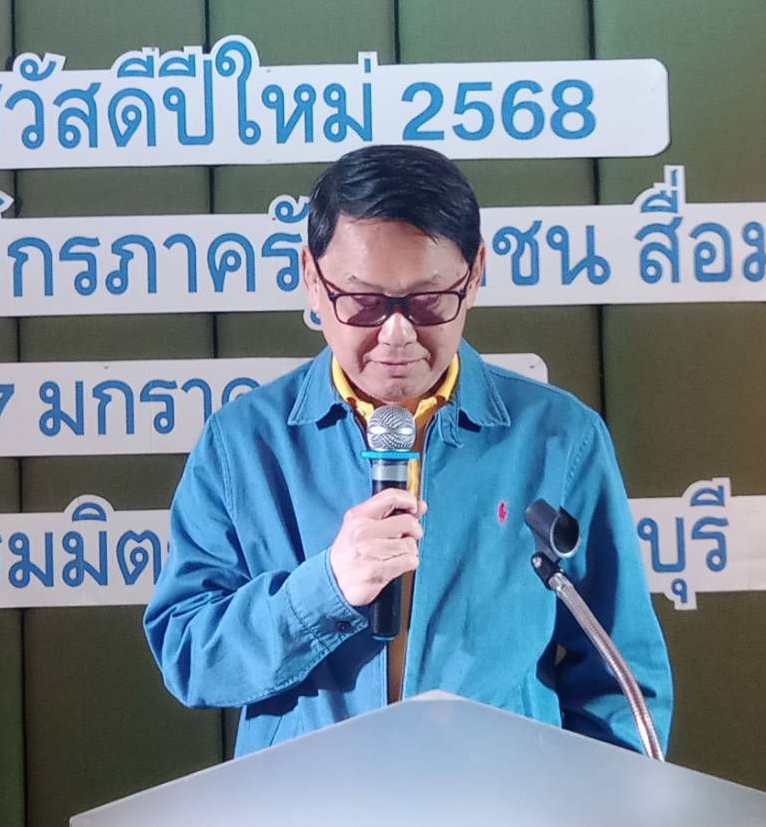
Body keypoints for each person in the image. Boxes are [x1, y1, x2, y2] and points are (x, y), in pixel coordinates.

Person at [142, 144, 672, 757]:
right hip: (306, 798)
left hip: (500, 798)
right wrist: (328, 587)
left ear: (475, 273)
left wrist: (601, 800)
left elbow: (621, 682)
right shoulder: (242, 443)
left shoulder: (560, 439)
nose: (397, 334)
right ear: (311, 278)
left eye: (428, 302)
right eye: (364, 303)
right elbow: (191, 658)